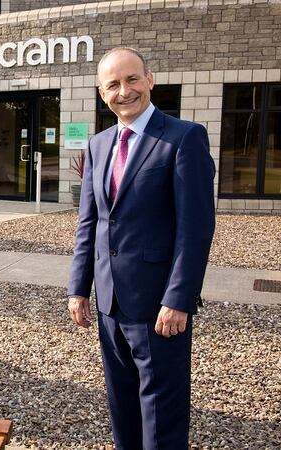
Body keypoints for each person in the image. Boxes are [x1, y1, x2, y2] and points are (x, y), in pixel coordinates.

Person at [67, 47, 215, 449]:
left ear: (150, 80)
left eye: (132, 79)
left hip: (158, 305)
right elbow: (90, 223)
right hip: (109, 303)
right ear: (102, 94)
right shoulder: (98, 146)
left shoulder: (184, 138)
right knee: (123, 406)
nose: (124, 91)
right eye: (113, 84)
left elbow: (196, 228)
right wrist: (78, 288)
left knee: (161, 412)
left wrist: (179, 299)